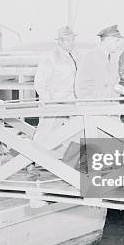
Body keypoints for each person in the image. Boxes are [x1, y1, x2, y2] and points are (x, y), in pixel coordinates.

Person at [33, 26, 78, 158]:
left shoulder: (72, 56)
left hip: (69, 102)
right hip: (53, 104)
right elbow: (40, 83)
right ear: (60, 41)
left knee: (66, 133)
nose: (72, 43)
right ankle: (31, 161)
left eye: (73, 40)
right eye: (69, 40)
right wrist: (49, 102)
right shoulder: (50, 57)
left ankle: (54, 161)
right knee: (44, 133)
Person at [75, 24, 124, 100]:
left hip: (111, 108)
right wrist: (108, 92)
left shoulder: (114, 60)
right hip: (95, 108)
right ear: (108, 40)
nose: (118, 44)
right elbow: (82, 91)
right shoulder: (89, 59)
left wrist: (119, 89)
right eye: (116, 41)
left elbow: (114, 84)